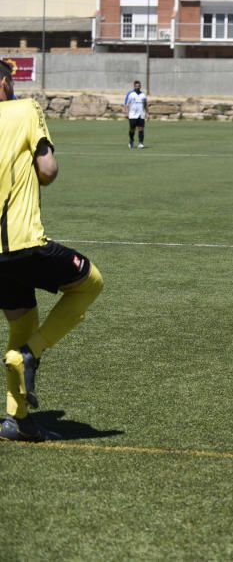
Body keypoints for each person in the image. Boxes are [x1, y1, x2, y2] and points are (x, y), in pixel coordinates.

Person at [0, 59, 104, 442]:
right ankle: (32, 353)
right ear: (4, 82)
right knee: (90, 283)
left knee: (21, 322)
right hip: (24, 244)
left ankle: (18, 420)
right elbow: (48, 170)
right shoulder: (25, 109)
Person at [125, 80, 148, 149]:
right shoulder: (130, 94)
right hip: (132, 115)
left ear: (140, 86)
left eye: (139, 86)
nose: (138, 87)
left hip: (141, 114)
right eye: (136, 86)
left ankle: (141, 143)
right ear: (134, 86)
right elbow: (126, 104)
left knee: (141, 129)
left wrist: (147, 113)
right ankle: (131, 140)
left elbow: (145, 104)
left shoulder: (143, 95)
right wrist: (126, 112)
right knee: (132, 129)